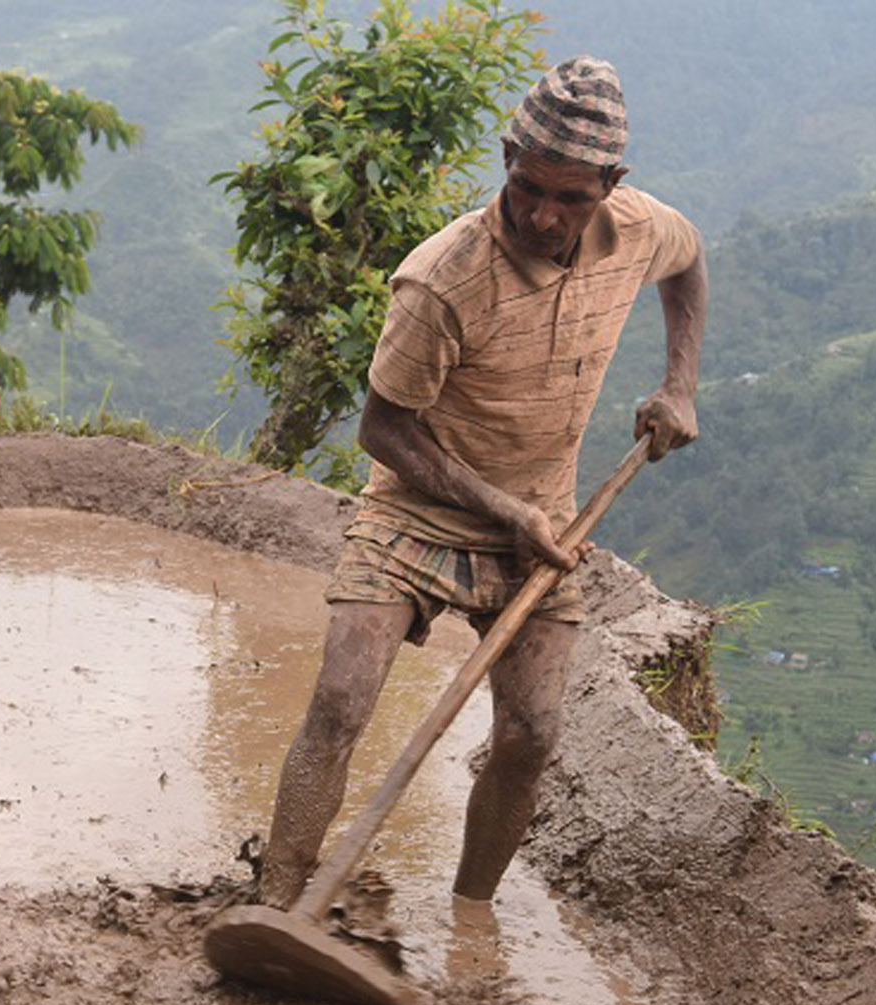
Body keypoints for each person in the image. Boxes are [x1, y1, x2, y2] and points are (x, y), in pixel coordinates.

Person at [254, 57, 707, 910]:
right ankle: (274, 904)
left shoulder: (638, 229)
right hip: (416, 513)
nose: (543, 215)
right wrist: (504, 509)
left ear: (611, 184)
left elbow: (690, 265)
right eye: (529, 187)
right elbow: (383, 429)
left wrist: (678, 382)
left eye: (571, 198)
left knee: (531, 733)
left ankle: (471, 919)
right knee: (342, 700)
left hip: (544, 523)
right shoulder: (443, 277)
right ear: (506, 157)